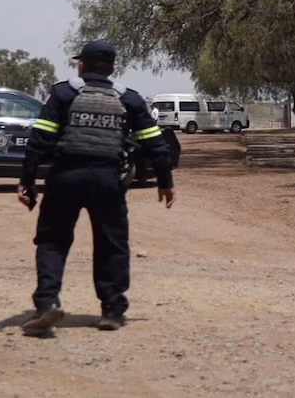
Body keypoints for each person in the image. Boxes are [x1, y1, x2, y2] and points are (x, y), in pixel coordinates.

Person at [17, 40, 177, 335]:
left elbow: (40, 139)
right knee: (111, 244)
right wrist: (165, 181)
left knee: (52, 241)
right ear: (112, 68)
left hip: (65, 177)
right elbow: (155, 143)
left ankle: (48, 303)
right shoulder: (129, 98)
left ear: (81, 65)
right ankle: (112, 311)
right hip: (108, 181)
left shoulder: (63, 93)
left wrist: (27, 180)